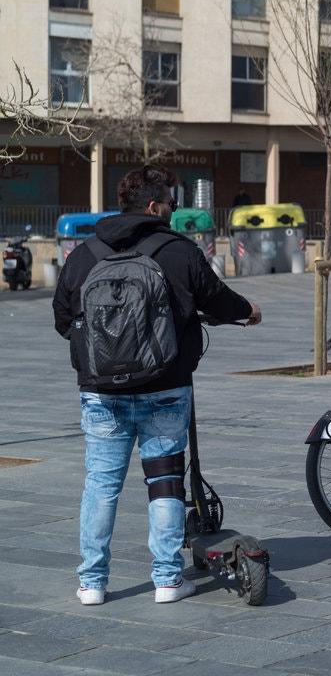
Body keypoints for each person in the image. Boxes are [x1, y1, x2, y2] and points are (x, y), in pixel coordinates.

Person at [53, 165, 262, 606]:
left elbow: (61, 319)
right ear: (153, 206)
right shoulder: (177, 250)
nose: (173, 209)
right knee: (165, 484)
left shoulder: (85, 254)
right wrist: (249, 310)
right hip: (165, 386)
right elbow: (217, 298)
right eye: (170, 202)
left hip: (101, 391)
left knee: (101, 485)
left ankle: (92, 583)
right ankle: (167, 579)